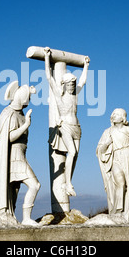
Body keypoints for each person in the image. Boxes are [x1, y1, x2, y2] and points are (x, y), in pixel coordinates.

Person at [0, 81, 41, 225]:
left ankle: (16, 217)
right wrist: (26, 125)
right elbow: (9, 136)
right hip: (14, 157)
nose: (29, 102)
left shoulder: (19, 113)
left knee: (13, 191)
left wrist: (31, 90)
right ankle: (26, 218)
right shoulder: (10, 113)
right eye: (28, 98)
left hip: (20, 155)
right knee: (35, 185)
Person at [44, 47, 89, 197]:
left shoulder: (74, 94)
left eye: (72, 85)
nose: (71, 87)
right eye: (69, 85)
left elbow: (83, 81)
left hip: (77, 126)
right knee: (72, 151)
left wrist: (86, 66)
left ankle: (69, 180)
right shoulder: (59, 95)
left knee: (75, 155)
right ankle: (68, 183)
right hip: (65, 126)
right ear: (64, 84)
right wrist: (46, 58)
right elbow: (49, 78)